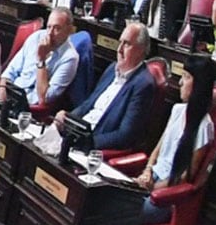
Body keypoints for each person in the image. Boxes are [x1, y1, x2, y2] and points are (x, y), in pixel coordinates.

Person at [133, 54, 216, 225]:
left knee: (121, 214)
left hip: (166, 195)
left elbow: (186, 176)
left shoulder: (204, 126)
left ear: (199, 85)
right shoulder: (177, 110)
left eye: (186, 77)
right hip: (151, 179)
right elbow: (158, 149)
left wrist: (154, 188)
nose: (180, 82)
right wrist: (147, 172)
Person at [57, 22, 157, 151]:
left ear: (141, 49)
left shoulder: (143, 84)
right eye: (120, 42)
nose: (119, 49)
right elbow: (88, 104)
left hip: (94, 144)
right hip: (78, 134)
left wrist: (86, 143)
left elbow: (124, 135)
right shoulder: (112, 69)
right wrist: (67, 118)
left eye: (126, 44)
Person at [1, 8, 80, 109]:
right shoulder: (36, 37)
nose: (50, 33)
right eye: (48, 27)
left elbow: (44, 98)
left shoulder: (70, 58)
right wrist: (2, 88)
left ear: (69, 30)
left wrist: (41, 60)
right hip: (8, 97)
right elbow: (10, 72)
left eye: (57, 28)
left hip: (29, 108)